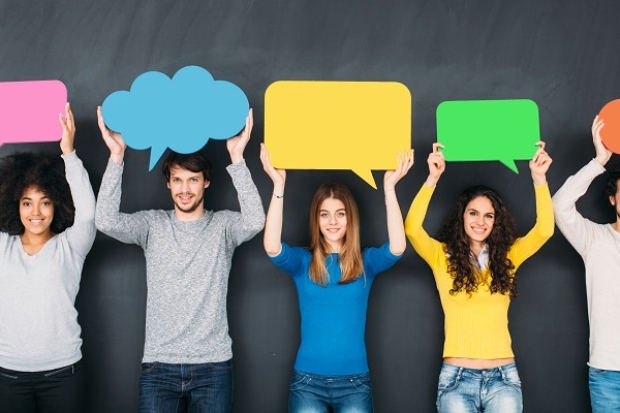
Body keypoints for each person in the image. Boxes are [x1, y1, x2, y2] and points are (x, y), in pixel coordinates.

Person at [94, 107, 265, 413]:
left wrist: (237, 158)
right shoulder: (152, 225)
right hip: (158, 367)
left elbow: (255, 222)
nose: (185, 189)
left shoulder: (223, 227)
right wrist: (117, 155)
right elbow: (105, 221)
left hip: (213, 367)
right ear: (168, 183)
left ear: (206, 182)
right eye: (178, 180)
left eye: (193, 180)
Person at [260, 144, 413, 413]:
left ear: (349, 218)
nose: (333, 221)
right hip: (308, 382)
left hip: (354, 383)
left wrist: (389, 189)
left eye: (340, 213)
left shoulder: (366, 262)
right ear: (316, 220)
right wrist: (278, 186)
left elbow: (398, 247)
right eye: (325, 214)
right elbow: (272, 246)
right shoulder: (303, 262)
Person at [405, 142, 553, 413]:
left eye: (488, 215)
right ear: (462, 216)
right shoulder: (441, 256)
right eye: (473, 213)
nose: (480, 221)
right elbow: (412, 229)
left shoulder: (508, 256)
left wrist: (539, 179)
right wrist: (432, 178)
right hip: (456, 379)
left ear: (496, 222)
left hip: (504, 378)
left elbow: (544, 230)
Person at [0, 103, 97, 413]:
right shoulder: (3, 247)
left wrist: (68, 153)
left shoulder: (71, 246)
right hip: (7, 377)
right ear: (16, 206)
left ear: (56, 205)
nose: (36, 212)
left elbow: (88, 214)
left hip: (63, 376)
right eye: (27, 203)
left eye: (44, 202)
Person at [552, 116, 620, 412]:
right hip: (607, 372)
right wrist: (599, 161)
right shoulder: (594, 239)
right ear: (613, 199)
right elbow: (560, 205)